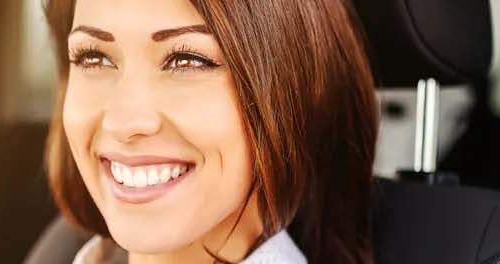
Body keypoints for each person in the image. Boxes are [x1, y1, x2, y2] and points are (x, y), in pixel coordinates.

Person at [41, 0, 379, 262]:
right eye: (94, 58)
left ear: (298, 90)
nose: (123, 122)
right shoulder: (68, 252)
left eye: (187, 60)